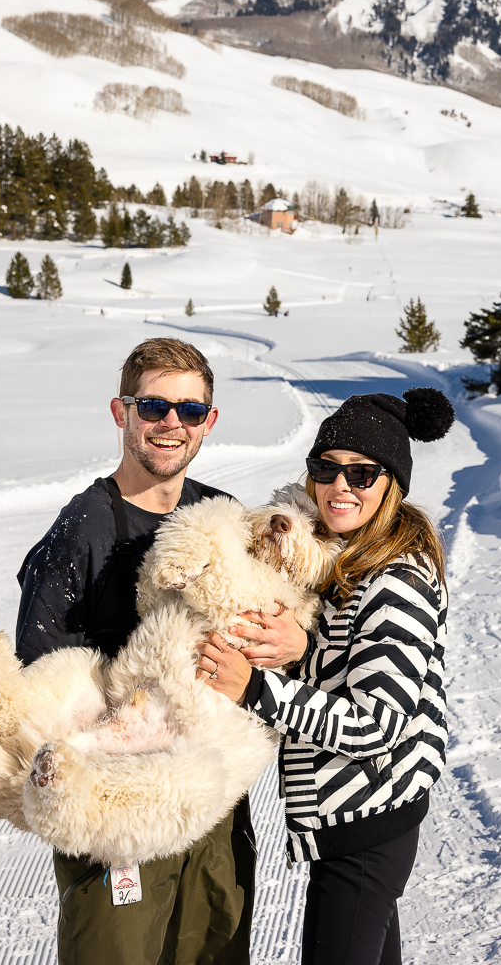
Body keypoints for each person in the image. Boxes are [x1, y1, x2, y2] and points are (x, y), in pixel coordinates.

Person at [16, 336, 257, 965]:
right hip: (117, 815)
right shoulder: (81, 534)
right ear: (122, 412)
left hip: (212, 806)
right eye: (153, 407)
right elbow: (41, 690)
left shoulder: (221, 515)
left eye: (190, 411)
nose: (171, 423)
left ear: (209, 421)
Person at [198, 387, 454, 965]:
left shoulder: (395, 583)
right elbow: (350, 658)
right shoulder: (349, 557)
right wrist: (306, 644)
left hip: (368, 821)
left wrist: (255, 688)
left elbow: (376, 724)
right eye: (327, 468)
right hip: (359, 816)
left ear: (391, 485)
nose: (341, 486)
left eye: (362, 474)